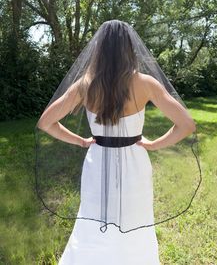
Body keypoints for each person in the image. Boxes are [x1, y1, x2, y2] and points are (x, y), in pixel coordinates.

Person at [37, 19, 196, 265]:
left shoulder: (85, 85)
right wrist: (154, 145)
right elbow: (187, 125)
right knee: (135, 221)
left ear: (99, 49)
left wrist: (81, 141)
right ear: (128, 48)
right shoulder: (145, 83)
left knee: (93, 219)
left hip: (97, 161)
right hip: (135, 163)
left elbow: (46, 122)